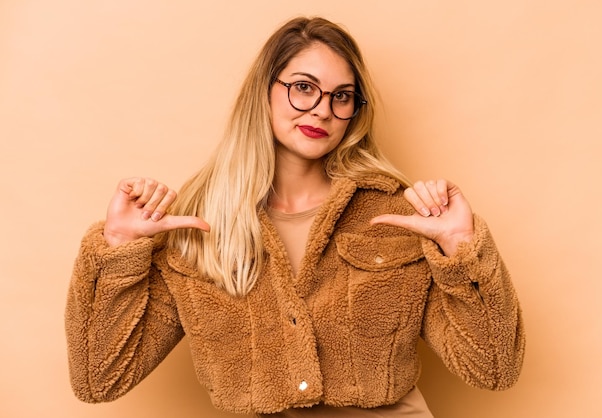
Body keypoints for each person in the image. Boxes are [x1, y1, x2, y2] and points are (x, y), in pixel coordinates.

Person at [65, 16, 525, 417]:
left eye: (341, 96)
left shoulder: (397, 214)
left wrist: (463, 250)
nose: (322, 110)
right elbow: (99, 381)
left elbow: (495, 368)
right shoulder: (196, 230)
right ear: (264, 90)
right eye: (303, 87)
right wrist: (119, 248)